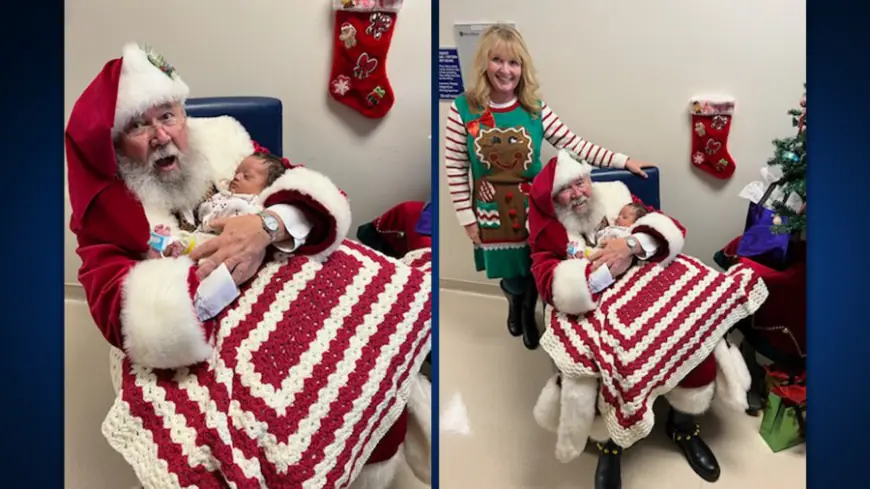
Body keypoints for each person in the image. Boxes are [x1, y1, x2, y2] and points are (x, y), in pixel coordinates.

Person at [66, 42, 427, 489]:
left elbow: (302, 182)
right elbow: (108, 299)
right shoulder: (107, 205)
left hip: (285, 277)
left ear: (183, 114)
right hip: (199, 324)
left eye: (167, 116)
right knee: (229, 438)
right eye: (138, 126)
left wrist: (268, 223)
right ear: (116, 143)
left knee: (372, 334)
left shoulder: (221, 141)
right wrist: (192, 283)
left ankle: (372, 460)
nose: (160, 135)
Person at [527, 150, 767, 489]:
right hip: (593, 302)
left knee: (692, 332)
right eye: (566, 189)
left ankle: (684, 427)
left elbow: (665, 225)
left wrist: (632, 246)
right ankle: (611, 445)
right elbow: (547, 280)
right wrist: (595, 277)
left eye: (580, 182)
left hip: (651, 284)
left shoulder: (615, 197)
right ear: (553, 198)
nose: (578, 193)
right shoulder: (546, 227)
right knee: (596, 365)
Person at [443, 24, 653, 350]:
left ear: (522, 68)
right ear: (485, 62)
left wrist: (622, 160)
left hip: (536, 207)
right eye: (498, 60)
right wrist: (466, 218)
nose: (506, 70)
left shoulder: (534, 109)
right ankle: (515, 302)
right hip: (491, 211)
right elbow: (456, 166)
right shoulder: (462, 109)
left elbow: (574, 144)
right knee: (511, 274)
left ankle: (528, 310)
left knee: (536, 266)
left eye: (514, 63)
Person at [147, 151, 291, 258]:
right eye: (237, 172)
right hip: (200, 234)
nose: (237, 177)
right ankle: (163, 243)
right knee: (183, 241)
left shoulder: (253, 205)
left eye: (246, 176)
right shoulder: (222, 191)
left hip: (226, 242)